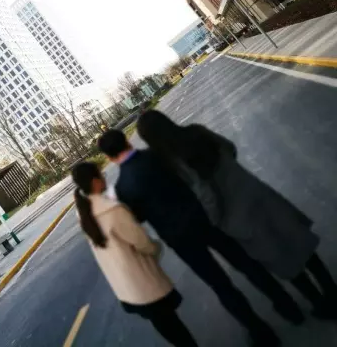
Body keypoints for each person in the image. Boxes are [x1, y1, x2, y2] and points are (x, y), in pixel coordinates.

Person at [137, 109, 337, 319]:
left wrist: (214, 221)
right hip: (255, 192)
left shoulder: (174, 162)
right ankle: (331, 290)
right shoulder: (196, 131)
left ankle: (319, 303)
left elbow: (206, 194)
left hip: (236, 215)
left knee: (281, 258)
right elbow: (230, 147)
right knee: (298, 242)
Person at [97, 129, 286, 346]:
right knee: (244, 261)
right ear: (127, 141)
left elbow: (138, 218)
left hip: (180, 239)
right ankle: (285, 303)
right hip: (202, 218)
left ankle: (261, 332)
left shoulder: (123, 187)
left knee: (220, 284)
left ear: (109, 157)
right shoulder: (156, 155)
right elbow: (185, 176)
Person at [71, 162, 198, 347]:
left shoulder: (84, 213)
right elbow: (142, 242)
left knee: (164, 325)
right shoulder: (111, 210)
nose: (104, 178)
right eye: (101, 175)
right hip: (143, 281)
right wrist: (156, 249)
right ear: (95, 182)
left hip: (126, 286)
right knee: (174, 328)